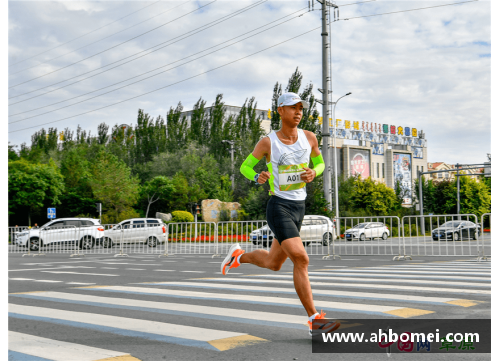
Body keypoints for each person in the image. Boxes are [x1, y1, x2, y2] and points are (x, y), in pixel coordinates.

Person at [221, 92, 340, 337]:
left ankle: (238, 257)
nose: (298, 112)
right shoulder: (268, 142)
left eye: (301, 108)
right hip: (279, 206)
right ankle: (314, 319)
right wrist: (257, 176)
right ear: (280, 111)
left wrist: (313, 173)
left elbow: (320, 163)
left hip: (299, 207)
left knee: (273, 263)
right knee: (301, 259)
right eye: (293, 108)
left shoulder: (309, 138)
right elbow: (245, 166)